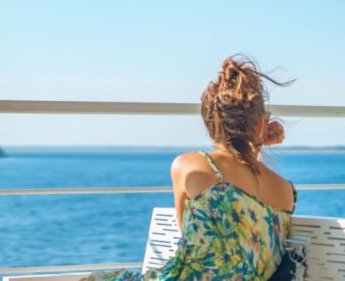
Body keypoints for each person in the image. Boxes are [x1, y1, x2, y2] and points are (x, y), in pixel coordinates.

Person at [88, 55, 296, 280]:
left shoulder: (190, 166)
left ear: (209, 122)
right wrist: (256, 142)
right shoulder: (285, 191)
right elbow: (250, 205)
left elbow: (188, 239)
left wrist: (256, 139)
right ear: (259, 123)